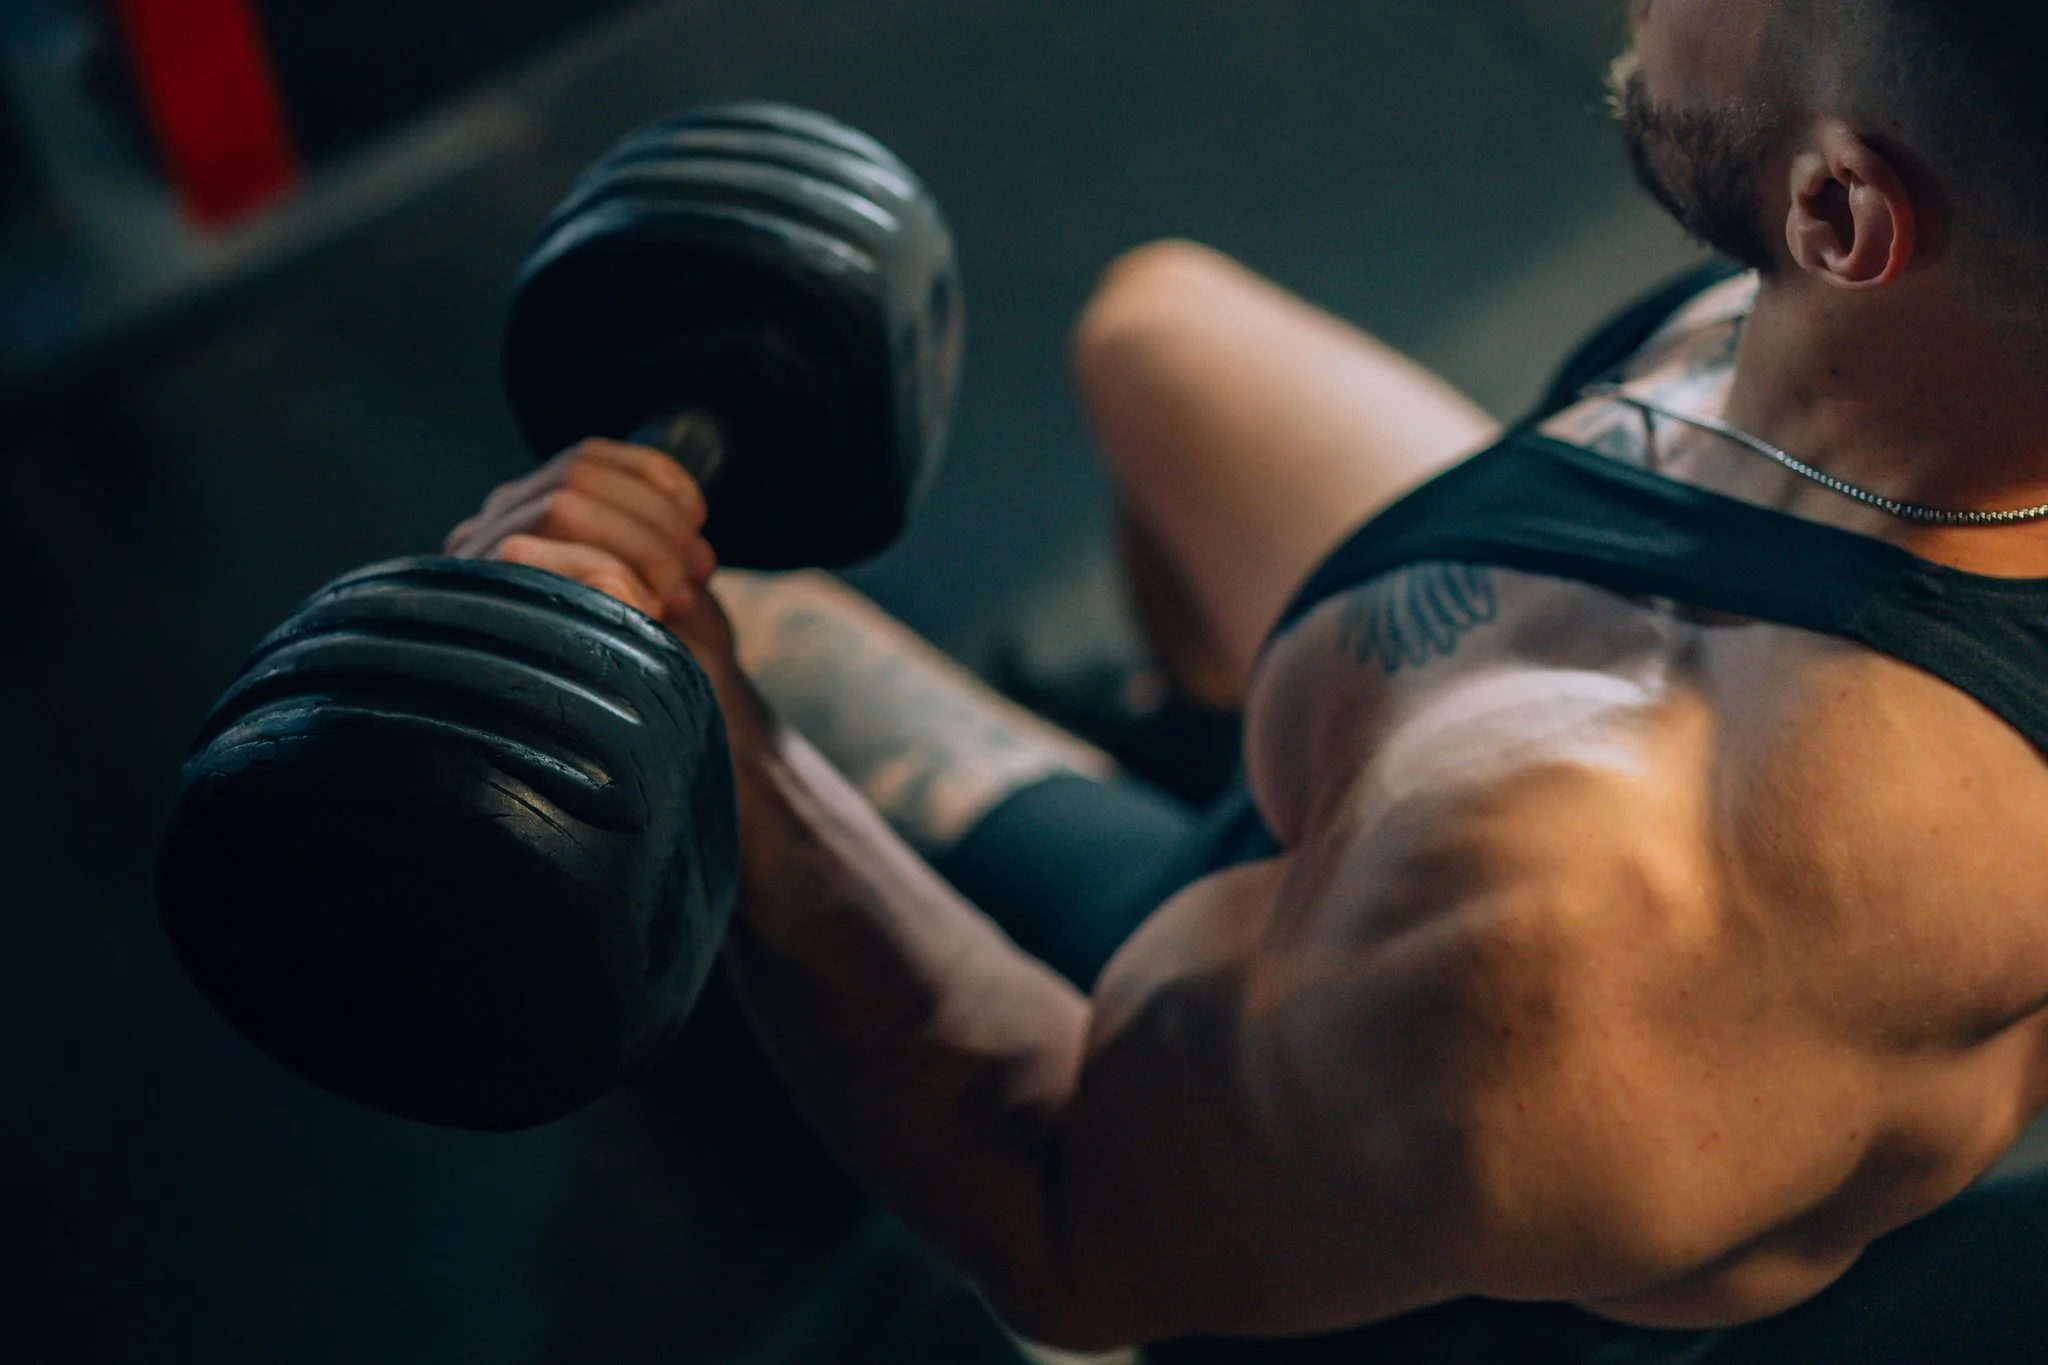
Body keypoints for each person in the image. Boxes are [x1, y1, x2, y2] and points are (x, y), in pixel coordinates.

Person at [442, 0, 2048, 1358]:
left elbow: (1061, 1211)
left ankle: (1229, 984)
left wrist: (716, 718)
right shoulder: (1949, 338)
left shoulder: (1593, 919)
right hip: (1487, 815)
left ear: (1841, 217)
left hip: (1326, 1177)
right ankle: (1236, 804)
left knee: (739, 628)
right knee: (1160, 332)